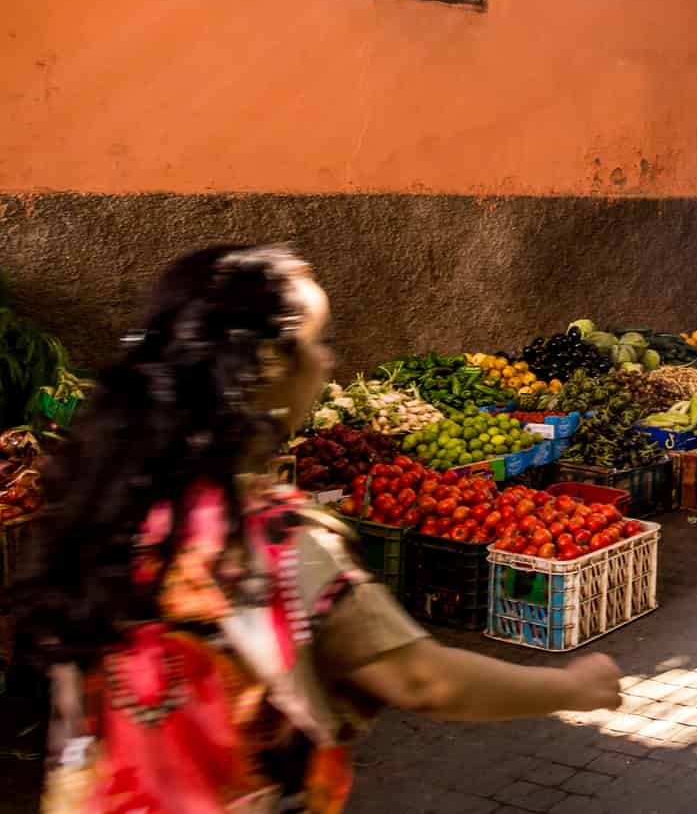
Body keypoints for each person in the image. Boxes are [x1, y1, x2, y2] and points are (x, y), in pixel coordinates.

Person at [20, 247, 623, 813]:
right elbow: (424, 680)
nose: (328, 360)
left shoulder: (114, 504)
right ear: (268, 364)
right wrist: (571, 688)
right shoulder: (277, 539)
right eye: (319, 342)